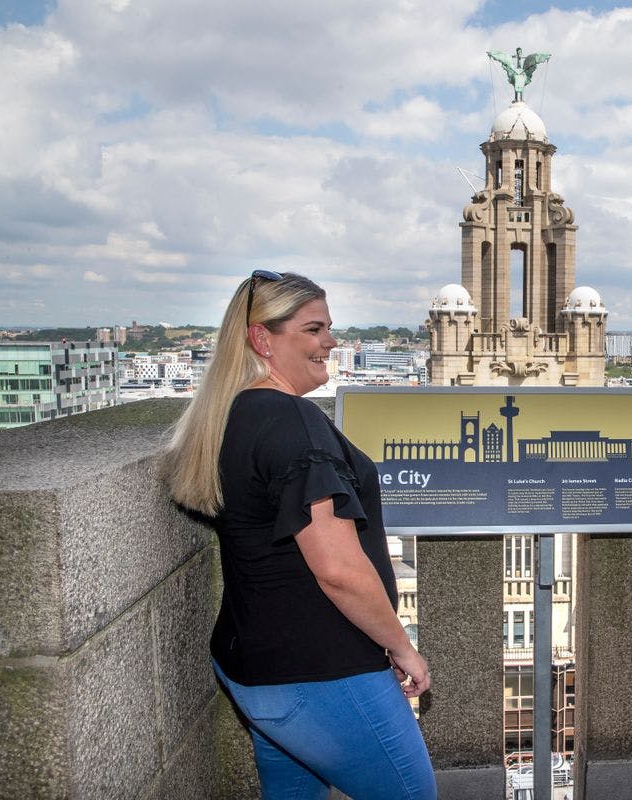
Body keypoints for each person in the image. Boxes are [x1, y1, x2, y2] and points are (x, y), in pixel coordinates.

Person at [165, 270, 437, 800]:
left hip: (254, 666)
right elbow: (337, 569)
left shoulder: (231, 415)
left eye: (328, 328)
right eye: (313, 329)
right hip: (322, 672)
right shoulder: (294, 423)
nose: (330, 342)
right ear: (262, 339)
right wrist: (402, 646)